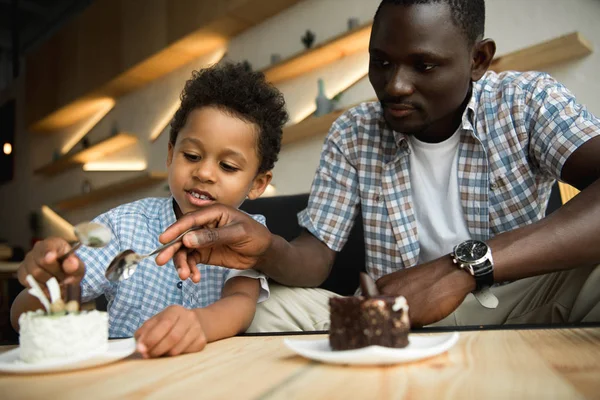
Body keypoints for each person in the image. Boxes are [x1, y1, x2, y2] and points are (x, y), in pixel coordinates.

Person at [156, 0, 600, 330]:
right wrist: (267, 247)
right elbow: (315, 259)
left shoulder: (527, 102)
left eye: (423, 65)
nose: (395, 85)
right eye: (381, 62)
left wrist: (461, 270)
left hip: (515, 306)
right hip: (388, 317)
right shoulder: (354, 132)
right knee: (267, 310)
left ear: (478, 59)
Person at [11, 62, 289, 355]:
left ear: (258, 183)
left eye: (227, 166)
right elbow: (20, 317)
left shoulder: (249, 234)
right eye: (192, 155)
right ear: (170, 154)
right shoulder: (122, 227)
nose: (205, 173)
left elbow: (240, 304)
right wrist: (48, 283)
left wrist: (197, 325)